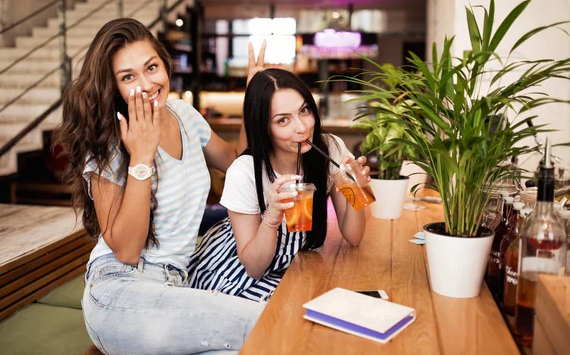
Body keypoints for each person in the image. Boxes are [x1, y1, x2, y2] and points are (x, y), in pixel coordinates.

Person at [54, 18, 264, 355]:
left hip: (176, 284)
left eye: (152, 67)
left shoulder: (183, 114)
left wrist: (253, 100)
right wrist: (142, 156)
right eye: (128, 77)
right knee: (264, 321)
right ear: (115, 87)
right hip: (118, 293)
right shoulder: (111, 142)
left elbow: (238, 160)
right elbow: (126, 250)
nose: (147, 84)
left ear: (165, 65)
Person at [188, 47, 368, 302]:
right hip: (235, 273)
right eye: (283, 120)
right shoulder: (245, 172)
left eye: (304, 110)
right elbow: (253, 266)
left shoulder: (332, 149)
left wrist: (357, 191)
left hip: (292, 267)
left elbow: (354, 237)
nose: (302, 127)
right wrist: (272, 215)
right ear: (264, 128)